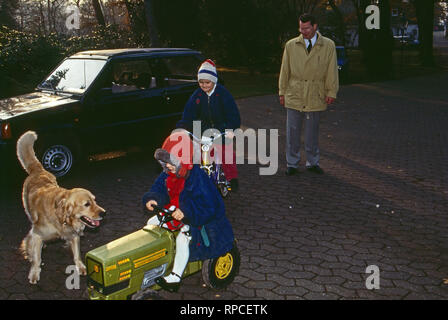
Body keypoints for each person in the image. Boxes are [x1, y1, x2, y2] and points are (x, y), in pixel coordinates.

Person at [142, 131, 235, 292]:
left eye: (171, 162)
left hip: (199, 220)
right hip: (173, 213)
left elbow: (209, 206)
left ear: (183, 161)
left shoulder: (198, 178)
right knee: (151, 224)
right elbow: (158, 189)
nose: (168, 166)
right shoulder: (168, 174)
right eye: (165, 163)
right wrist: (153, 199)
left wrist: (186, 213)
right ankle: (156, 259)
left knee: (184, 238)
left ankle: (175, 277)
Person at [279, 13, 339, 176]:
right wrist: (282, 91)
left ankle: (313, 162)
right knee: (292, 132)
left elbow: (331, 71)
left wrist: (331, 91)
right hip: (294, 93)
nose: (303, 31)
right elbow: (285, 70)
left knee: (312, 132)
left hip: (315, 94)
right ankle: (292, 163)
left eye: (306, 28)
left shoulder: (328, 46)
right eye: (300, 28)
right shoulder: (291, 45)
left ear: (315, 26)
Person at [177, 59, 241, 191]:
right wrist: (182, 127)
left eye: (207, 82)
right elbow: (189, 113)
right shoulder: (197, 95)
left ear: (214, 81)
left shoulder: (223, 94)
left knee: (225, 151)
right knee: (198, 153)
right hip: (203, 128)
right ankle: (198, 178)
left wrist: (230, 128)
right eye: (201, 82)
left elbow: (233, 114)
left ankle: (232, 178)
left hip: (222, 127)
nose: (204, 85)